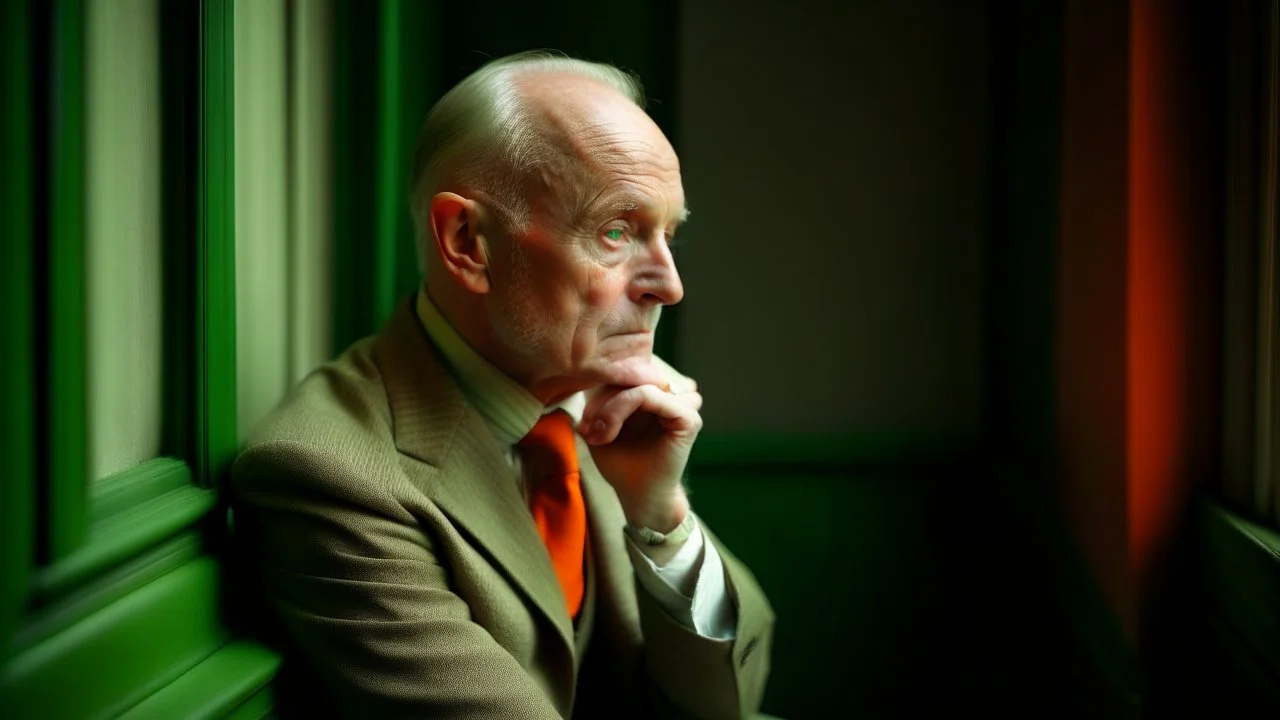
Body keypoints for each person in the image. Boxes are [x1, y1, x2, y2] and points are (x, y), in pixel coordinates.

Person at [231, 51, 774, 719]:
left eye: (667, 234)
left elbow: (731, 701)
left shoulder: (592, 404)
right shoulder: (329, 471)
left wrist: (660, 517)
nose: (669, 284)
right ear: (468, 242)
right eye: (616, 230)